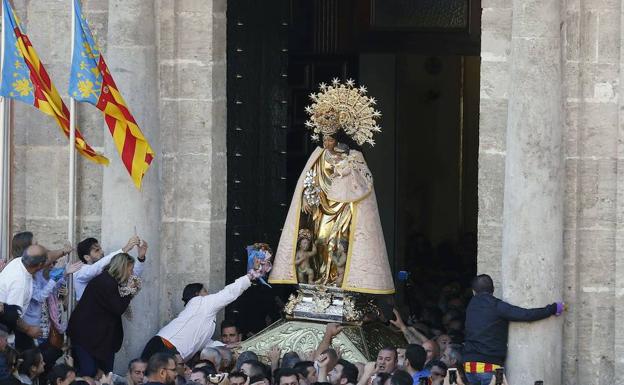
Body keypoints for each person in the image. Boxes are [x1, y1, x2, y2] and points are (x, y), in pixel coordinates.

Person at [269, 80, 394, 294]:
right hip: (322, 209)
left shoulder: (353, 156)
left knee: (339, 243)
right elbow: (309, 180)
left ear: (337, 137)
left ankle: (337, 280)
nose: (326, 143)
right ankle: (320, 280)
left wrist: (345, 169)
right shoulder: (318, 156)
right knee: (321, 241)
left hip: (344, 209)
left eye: (330, 139)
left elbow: (364, 182)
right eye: (324, 138)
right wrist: (308, 198)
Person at [463, 274, 564, 385]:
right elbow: (525, 315)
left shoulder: (470, 306)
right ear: (493, 290)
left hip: (469, 367)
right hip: (488, 366)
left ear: (473, 291)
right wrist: (553, 308)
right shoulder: (496, 306)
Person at [141, 272, 259, 361]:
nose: (209, 295)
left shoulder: (198, 314)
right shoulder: (200, 302)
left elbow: (205, 343)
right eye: (206, 291)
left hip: (167, 349)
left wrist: (226, 346)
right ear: (197, 295)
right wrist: (249, 277)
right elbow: (228, 293)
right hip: (165, 347)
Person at [67, 253, 141, 377]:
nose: (131, 273)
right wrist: (129, 291)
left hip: (99, 339)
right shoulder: (106, 282)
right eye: (130, 269)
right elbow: (118, 308)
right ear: (123, 268)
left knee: (104, 375)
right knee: (88, 372)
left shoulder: (109, 281)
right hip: (87, 337)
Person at [0, 245, 51, 339]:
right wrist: (29, 329)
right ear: (40, 265)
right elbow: (11, 316)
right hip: (4, 331)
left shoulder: (19, 261)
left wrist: (63, 251)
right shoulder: (20, 284)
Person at [73, 236, 145, 301]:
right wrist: (124, 249)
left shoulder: (105, 268)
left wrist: (140, 258)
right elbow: (95, 268)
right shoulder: (80, 271)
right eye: (97, 250)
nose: (102, 252)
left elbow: (130, 275)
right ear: (87, 257)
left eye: (100, 249)